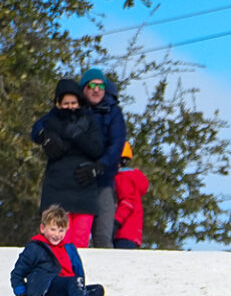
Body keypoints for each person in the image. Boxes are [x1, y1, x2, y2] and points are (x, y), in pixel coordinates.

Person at [31, 79, 108, 247]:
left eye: (73, 103)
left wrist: (77, 137)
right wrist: (44, 136)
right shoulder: (50, 121)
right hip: (57, 187)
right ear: (58, 104)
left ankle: (75, 265)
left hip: (84, 186)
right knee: (57, 240)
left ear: (79, 102)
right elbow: (36, 130)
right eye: (66, 103)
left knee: (79, 242)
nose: (70, 107)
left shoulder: (89, 121)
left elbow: (98, 148)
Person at [10, 204, 105, 296]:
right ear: (42, 228)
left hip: (69, 286)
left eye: (61, 230)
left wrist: (79, 287)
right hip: (46, 288)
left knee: (98, 290)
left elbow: (78, 271)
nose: (57, 234)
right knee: (74, 281)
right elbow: (17, 274)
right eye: (53, 229)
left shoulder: (69, 248)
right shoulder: (35, 247)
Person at [80, 68, 126, 235]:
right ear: (84, 87)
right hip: (78, 179)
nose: (96, 90)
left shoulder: (113, 112)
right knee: (76, 233)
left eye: (101, 86)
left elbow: (117, 143)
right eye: (92, 85)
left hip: (103, 180)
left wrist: (101, 165)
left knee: (103, 234)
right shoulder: (75, 109)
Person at [111, 142, 149, 249]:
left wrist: (115, 222)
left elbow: (127, 202)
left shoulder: (122, 177)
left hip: (123, 231)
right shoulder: (131, 177)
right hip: (132, 233)